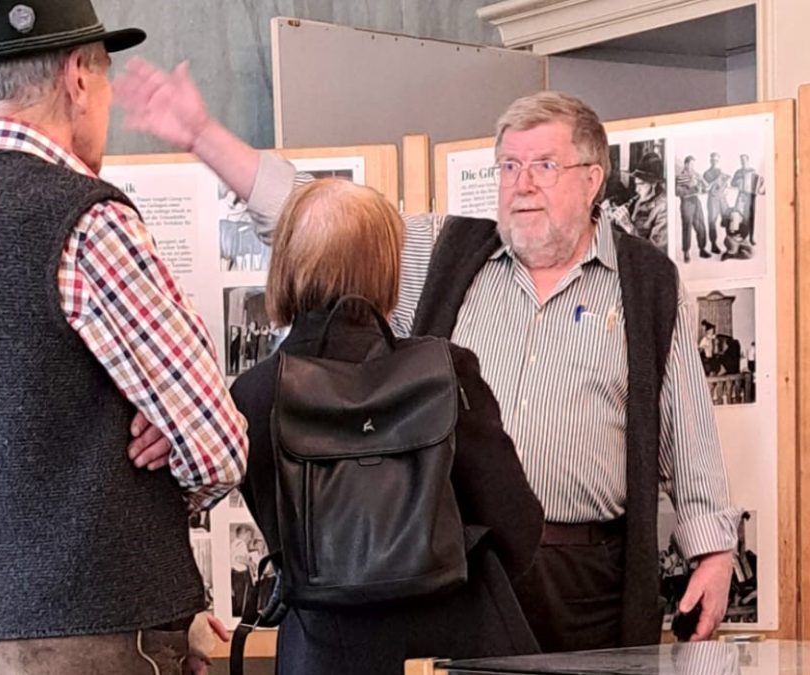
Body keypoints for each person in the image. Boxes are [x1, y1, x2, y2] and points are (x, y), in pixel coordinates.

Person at [114, 68, 739, 651]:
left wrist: (711, 552)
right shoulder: (445, 253)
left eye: (544, 164)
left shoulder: (648, 283)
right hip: (466, 570)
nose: (521, 183)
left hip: (589, 578)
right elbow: (318, 218)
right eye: (509, 166)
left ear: (593, 176)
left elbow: (686, 423)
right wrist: (201, 134)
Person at [0, 3, 248, 674]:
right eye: (106, 78)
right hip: (102, 631)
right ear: (78, 76)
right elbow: (217, 446)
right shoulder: (86, 218)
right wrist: (144, 468)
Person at [228, 178, 542, 673]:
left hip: (323, 654)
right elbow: (518, 525)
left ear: (285, 263)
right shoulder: (445, 370)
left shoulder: (253, 396)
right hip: (456, 646)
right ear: (387, 266)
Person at [609, 151, 666, 249]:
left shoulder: (664, 209)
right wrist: (613, 219)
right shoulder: (640, 200)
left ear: (654, 183)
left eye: (641, 184)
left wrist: (629, 227)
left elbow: (656, 253)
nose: (636, 189)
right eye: (636, 184)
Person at [675, 155, 713, 262]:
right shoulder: (682, 175)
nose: (692, 166)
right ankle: (686, 252)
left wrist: (703, 184)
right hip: (686, 202)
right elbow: (678, 192)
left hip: (696, 201)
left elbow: (704, 188)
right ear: (686, 164)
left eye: (693, 164)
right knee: (687, 227)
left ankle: (702, 249)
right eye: (691, 164)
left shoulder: (695, 174)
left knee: (701, 225)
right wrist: (693, 189)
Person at [731, 154, 764, 245]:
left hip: (752, 195)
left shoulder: (753, 171)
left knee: (751, 216)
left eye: (744, 160)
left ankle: (751, 237)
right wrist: (738, 182)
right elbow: (732, 183)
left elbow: (759, 182)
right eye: (741, 160)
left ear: (748, 160)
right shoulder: (738, 172)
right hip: (742, 195)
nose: (742, 162)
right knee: (740, 216)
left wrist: (760, 184)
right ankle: (742, 236)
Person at [702, 152, 729, 239]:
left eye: (717, 160)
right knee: (712, 221)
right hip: (713, 199)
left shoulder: (722, 172)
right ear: (710, 160)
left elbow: (727, 182)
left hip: (722, 198)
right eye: (713, 160)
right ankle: (713, 244)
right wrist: (714, 182)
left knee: (728, 218)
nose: (715, 161)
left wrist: (726, 188)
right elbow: (706, 188)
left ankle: (731, 244)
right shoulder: (707, 173)